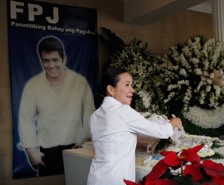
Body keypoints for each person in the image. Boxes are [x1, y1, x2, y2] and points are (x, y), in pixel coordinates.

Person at [87, 67, 183, 185]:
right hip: (115, 179)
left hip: (96, 177)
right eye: (127, 85)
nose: (132, 90)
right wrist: (174, 122)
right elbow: (162, 132)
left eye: (132, 85)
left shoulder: (95, 115)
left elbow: (114, 140)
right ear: (111, 89)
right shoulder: (123, 111)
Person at [18, 36, 95, 176]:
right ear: (41, 60)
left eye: (55, 59)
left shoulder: (79, 82)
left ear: (63, 58)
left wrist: (85, 138)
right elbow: (26, 119)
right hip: (48, 152)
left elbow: (89, 111)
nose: (51, 65)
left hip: (76, 147)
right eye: (46, 60)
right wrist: (30, 151)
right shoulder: (33, 86)